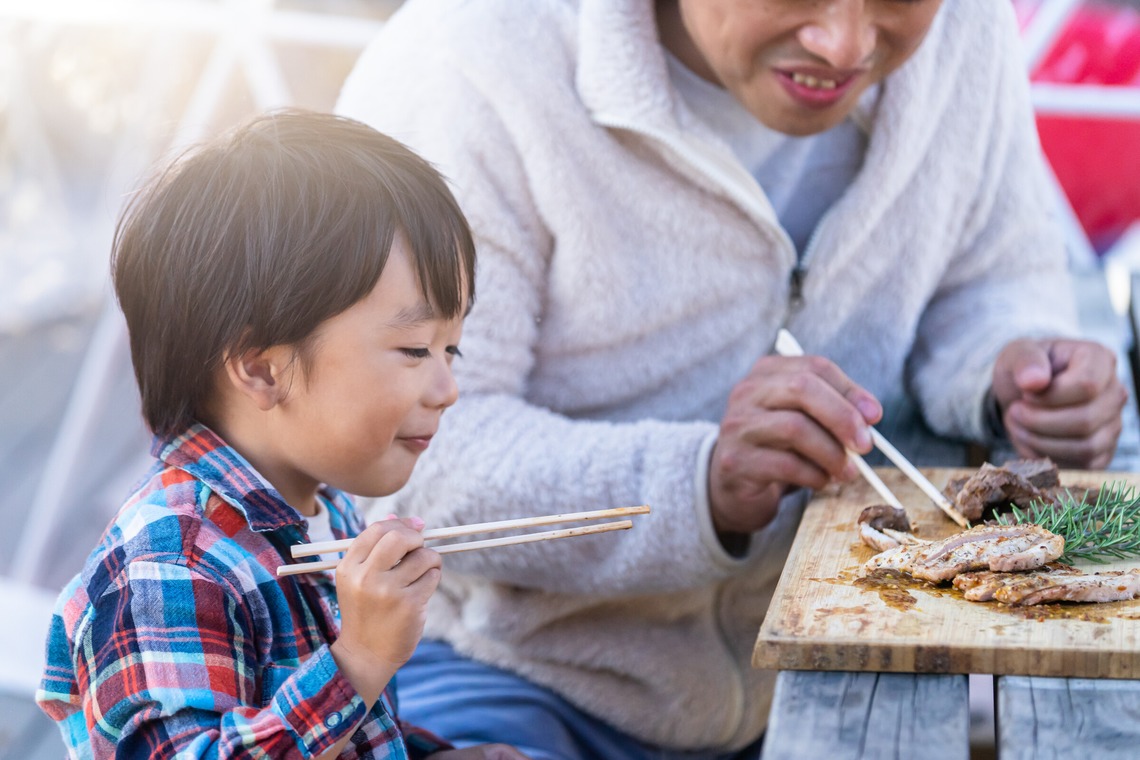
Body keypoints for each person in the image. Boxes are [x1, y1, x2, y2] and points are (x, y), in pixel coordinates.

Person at [335, 0, 1129, 758]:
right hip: (510, 674)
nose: (845, 45)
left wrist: (1013, 373)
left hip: (842, 660)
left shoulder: (964, 26)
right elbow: (397, 456)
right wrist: (701, 485)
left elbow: (995, 279)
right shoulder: (468, 58)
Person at [35, 110, 527, 760]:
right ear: (262, 369)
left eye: (451, 350)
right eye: (415, 349)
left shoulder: (321, 514)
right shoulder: (171, 564)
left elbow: (345, 733)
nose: (447, 388)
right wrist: (358, 661)